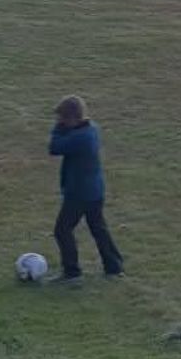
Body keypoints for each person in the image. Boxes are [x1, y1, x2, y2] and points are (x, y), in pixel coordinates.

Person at [47, 95, 124, 284]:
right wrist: (64, 126)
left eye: (63, 118)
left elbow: (54, 147)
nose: (60, 121)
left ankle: (72, 272)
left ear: (73, 118)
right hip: (95, 190)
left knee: (62, 230)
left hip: (79, 194)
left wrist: (58, 128)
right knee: (98, 228)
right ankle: (114, 266)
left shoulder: (80, 138)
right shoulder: (92, 129)